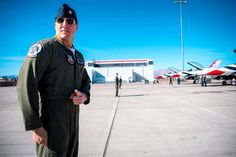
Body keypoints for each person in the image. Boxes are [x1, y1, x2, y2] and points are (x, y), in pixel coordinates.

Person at [17, 3, 91, 157]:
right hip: (51, 123)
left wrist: (84, 96)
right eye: (60, 20)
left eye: (70, 21)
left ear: (76, 26)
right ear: (55, 25)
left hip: (73, 124)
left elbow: (85, 81)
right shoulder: (45, 49)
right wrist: (36, 126)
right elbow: (25, 84)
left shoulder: (78, 56)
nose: (65, 24)